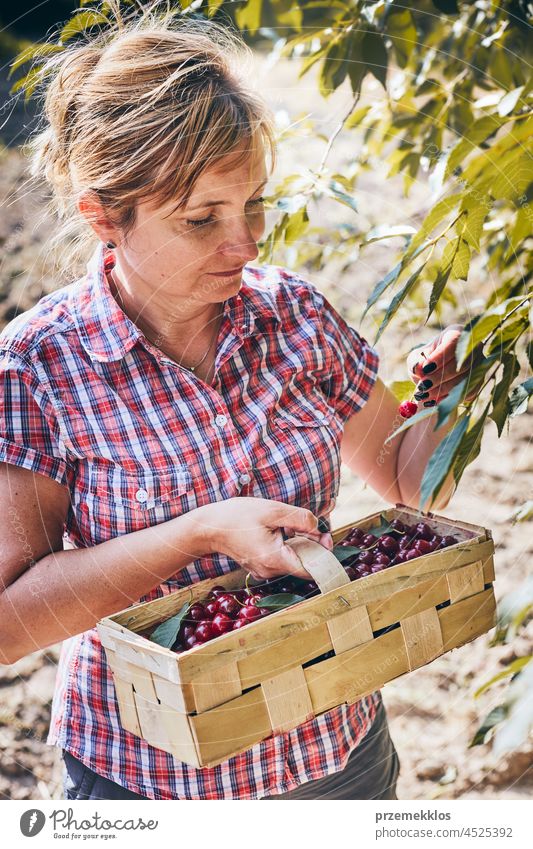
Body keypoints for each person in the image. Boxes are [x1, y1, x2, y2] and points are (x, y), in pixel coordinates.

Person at [0, 10, 477, 801]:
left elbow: (406, 480)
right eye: (202, 219)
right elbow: (10, 624)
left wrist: (451, 394)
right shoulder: (40, 367)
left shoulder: (294, 316)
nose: (247, 243)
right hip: (152, 777)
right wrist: (195, 533)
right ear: (103, 217)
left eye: (254, 204)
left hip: (336, 745)